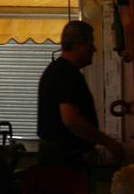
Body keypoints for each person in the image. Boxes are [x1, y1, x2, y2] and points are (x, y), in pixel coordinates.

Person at [37, 21, 123, 170]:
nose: (94, 49)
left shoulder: (58, 70)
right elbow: (71, 120)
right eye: (91, 43)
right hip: (65, 163)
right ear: (77, 44)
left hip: (58, 158)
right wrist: (110, 143)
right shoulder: (66, 74)